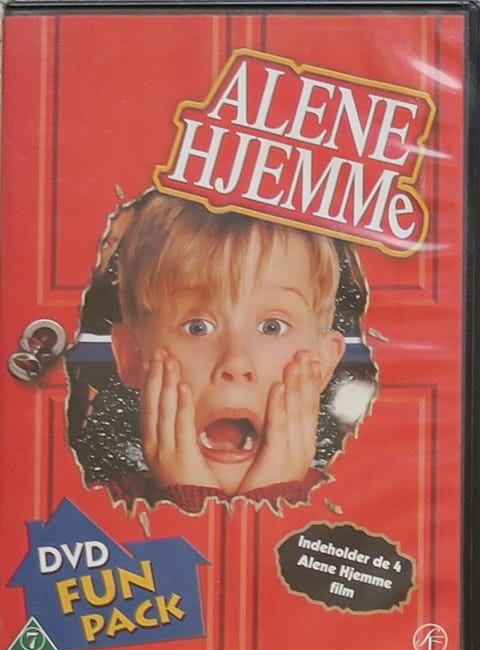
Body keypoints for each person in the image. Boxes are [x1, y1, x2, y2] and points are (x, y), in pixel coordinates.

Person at [67, 189, 376, 514]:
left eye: (272, 327)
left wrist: (271, 498)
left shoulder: (350, 508)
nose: (236, 362)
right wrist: (191, 500)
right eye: (198, 327)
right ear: (132, 356)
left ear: (321, 364)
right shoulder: (94, 509)